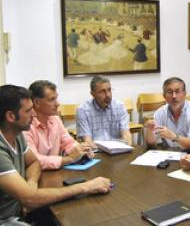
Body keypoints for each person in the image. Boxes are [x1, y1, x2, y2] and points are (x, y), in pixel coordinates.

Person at [0, 85, 111, 224]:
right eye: (28, 111)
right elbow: (29, 199)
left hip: (21, 209)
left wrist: (31, 183)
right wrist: (86, 187)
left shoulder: (16, 134)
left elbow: (34, 162)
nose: (33, 114)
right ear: (10, 116)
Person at [23, 80, 91, 170]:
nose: (58, 104)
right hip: (35, 175)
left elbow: (68, 142)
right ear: (36, 102)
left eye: (56, 98)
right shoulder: (26, 125)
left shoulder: (55, 119)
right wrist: (68, 159)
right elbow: (34, 160)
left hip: (55, 172)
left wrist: (81, 150)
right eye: (52, 99)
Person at [145, 77, 190, 151]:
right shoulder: (160, 113)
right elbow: (150, 143)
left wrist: (174, 137)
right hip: (170, 154)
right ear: (164, 96)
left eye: (177, 91)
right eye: (170, 92)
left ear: (184, 94)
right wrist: (150, 130)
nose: (174, 96)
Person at [76, 75, 132, 147]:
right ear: (93, 94)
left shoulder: (120, 106)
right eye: (102, 92)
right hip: (96, 153)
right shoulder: (83, 110)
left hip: (116, 150)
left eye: (109, 90)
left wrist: (126, 146)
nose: (108, 95)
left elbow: (126, 135)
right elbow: (87, 142)